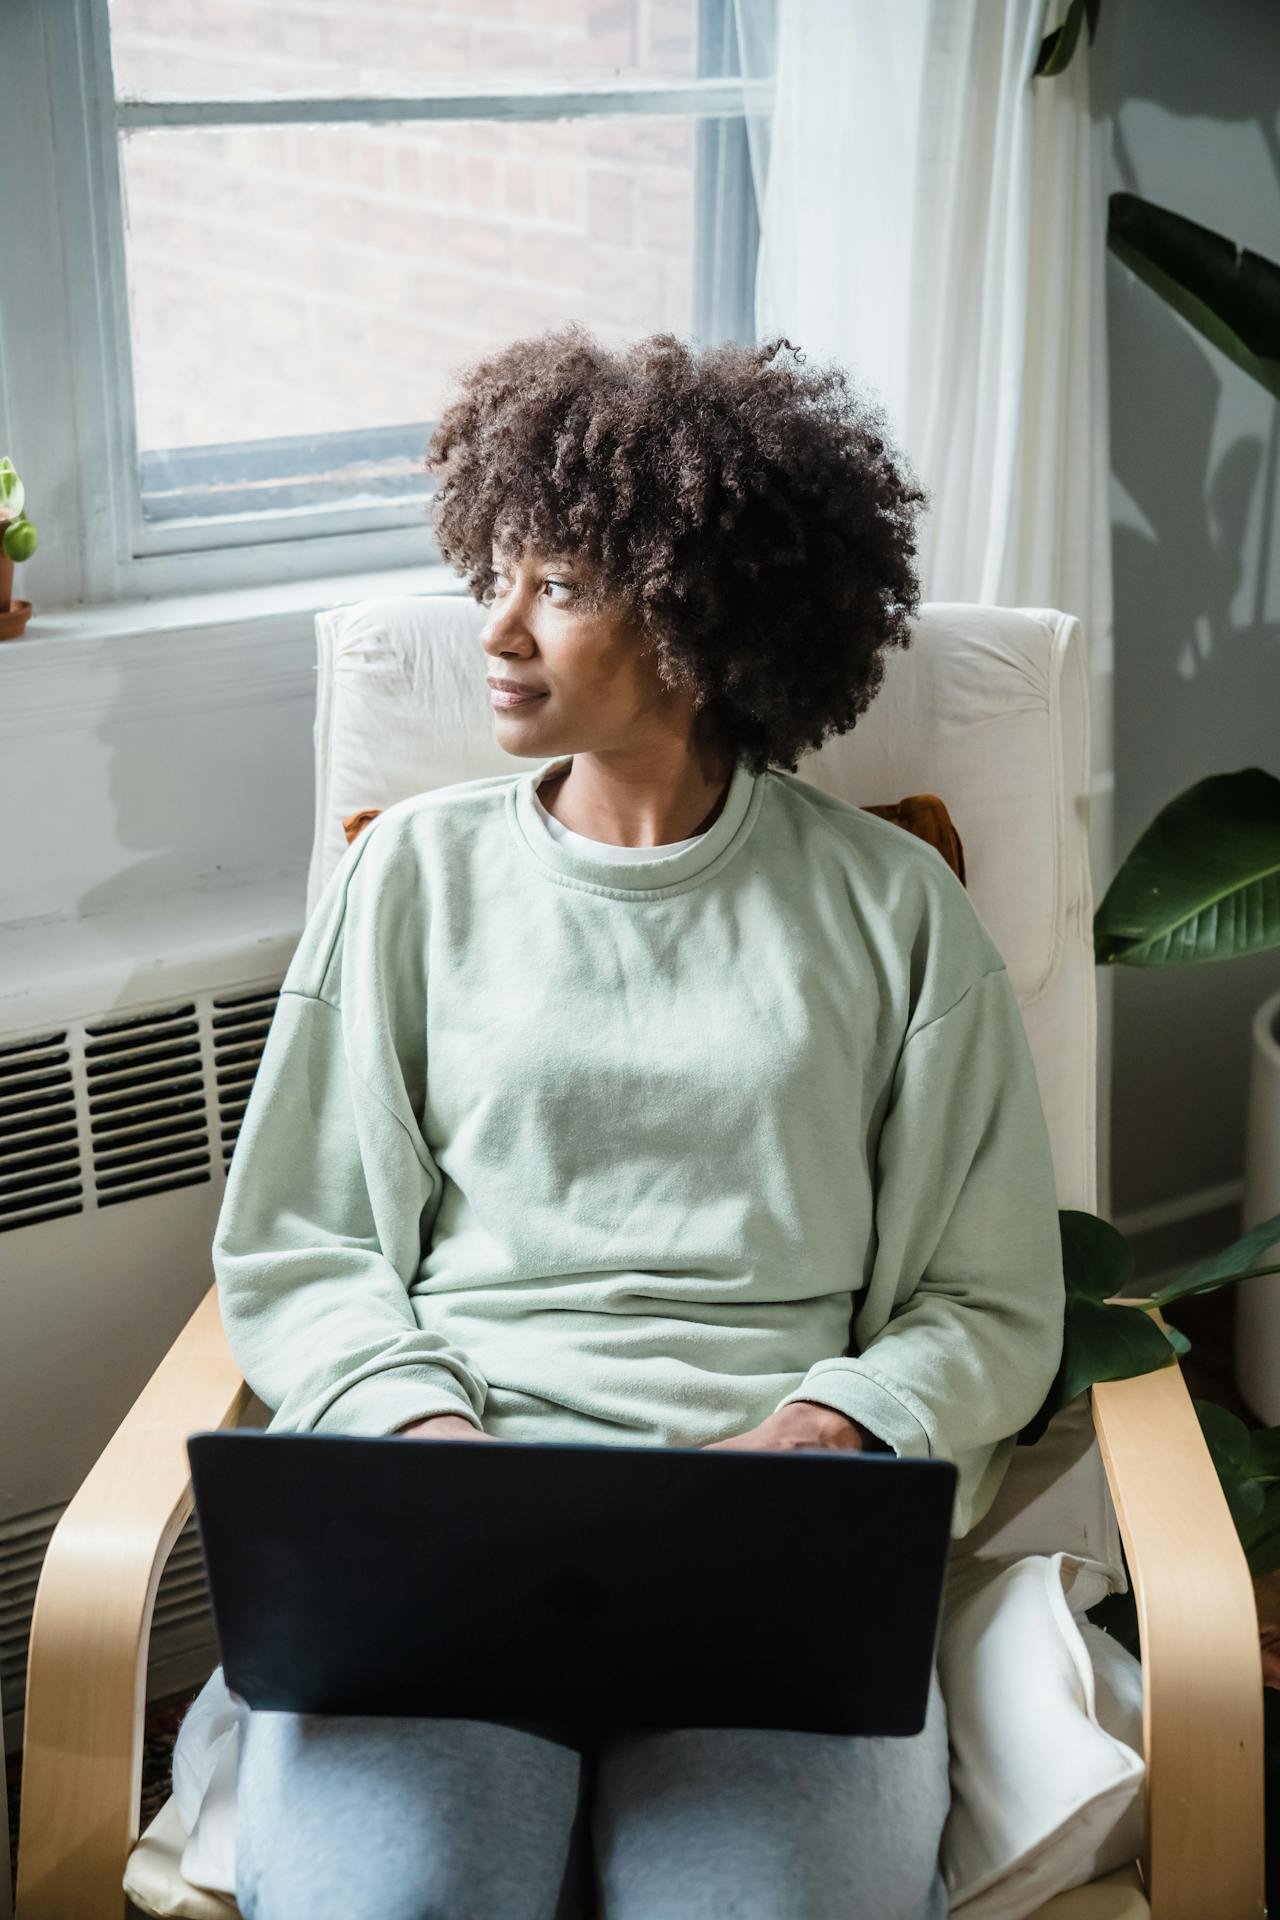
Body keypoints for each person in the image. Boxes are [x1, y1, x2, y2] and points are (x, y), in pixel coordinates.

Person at [211, 326, 1066, 1919]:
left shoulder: (893, 913)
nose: (499, 628)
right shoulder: (408, 879)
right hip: (452, 1523)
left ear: (694, 614)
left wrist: (826, 1430)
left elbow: (992, 1295)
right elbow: (304, 1236)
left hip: (773, 1551)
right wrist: (425, 1437)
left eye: (560, 587)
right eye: (497, 574)